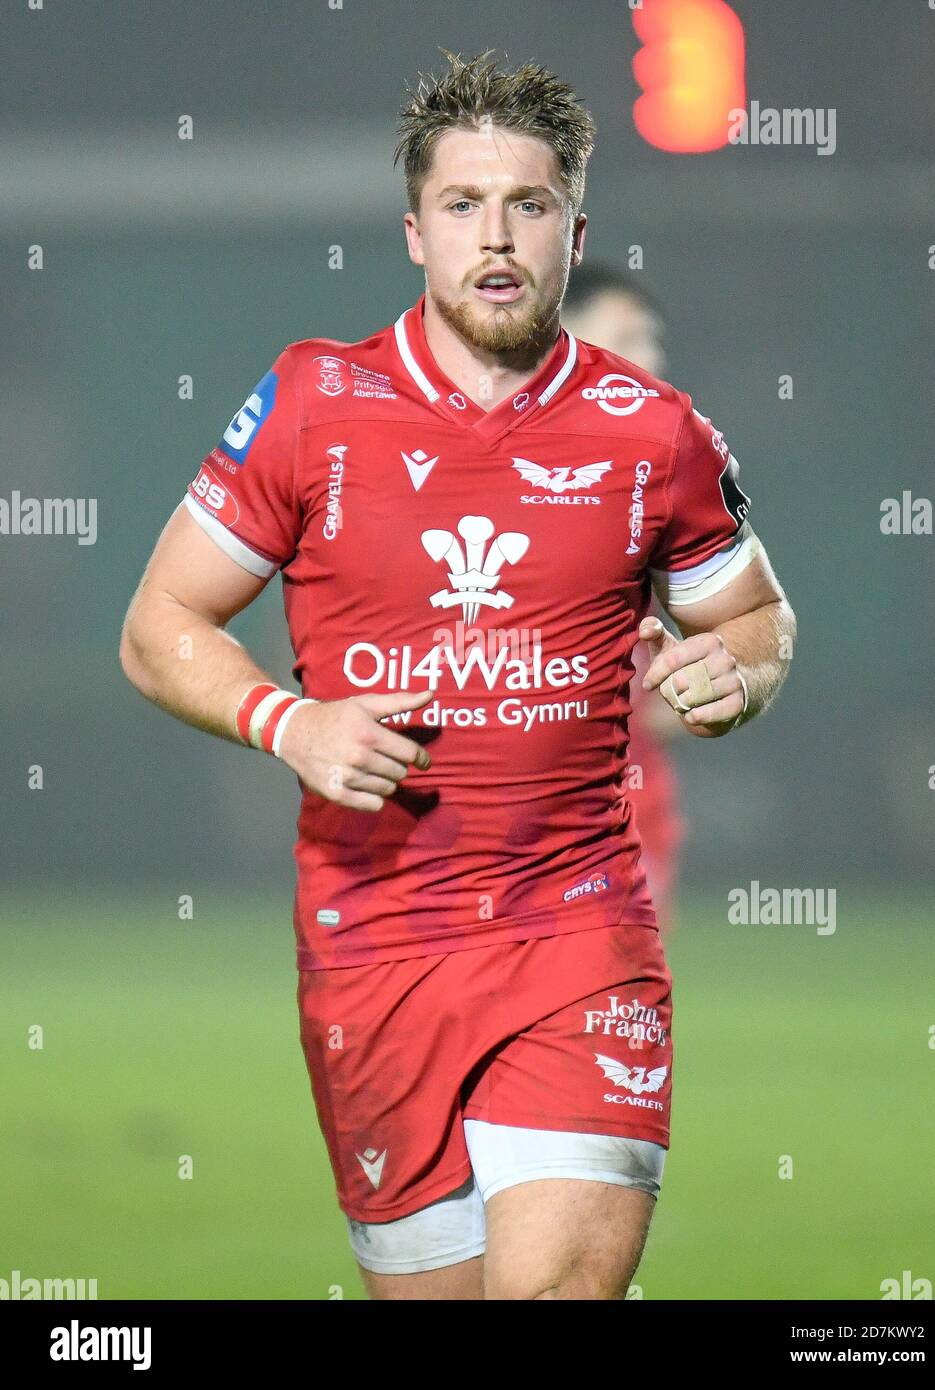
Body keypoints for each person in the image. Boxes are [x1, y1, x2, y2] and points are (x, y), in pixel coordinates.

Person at [119, 49, 796, 1301]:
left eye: (528, 205)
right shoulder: (313, 403)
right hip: (372, 952)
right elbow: (159, 623)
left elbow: (755, 614)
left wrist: (736, 674)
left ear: (572, 230)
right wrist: (292, 720)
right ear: (415, 234)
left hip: (577, 925)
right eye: (464, 205)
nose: (497, 236)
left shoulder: (656, 431)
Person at [561, 266, 684, 930]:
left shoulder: (671, 477)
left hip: (621, 798)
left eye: (653, 340)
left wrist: (718, 680)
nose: (651, 359)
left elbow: (726, 638)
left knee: (607, 1024)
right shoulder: (464, 464)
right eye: (629, 338)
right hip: (481, 807)